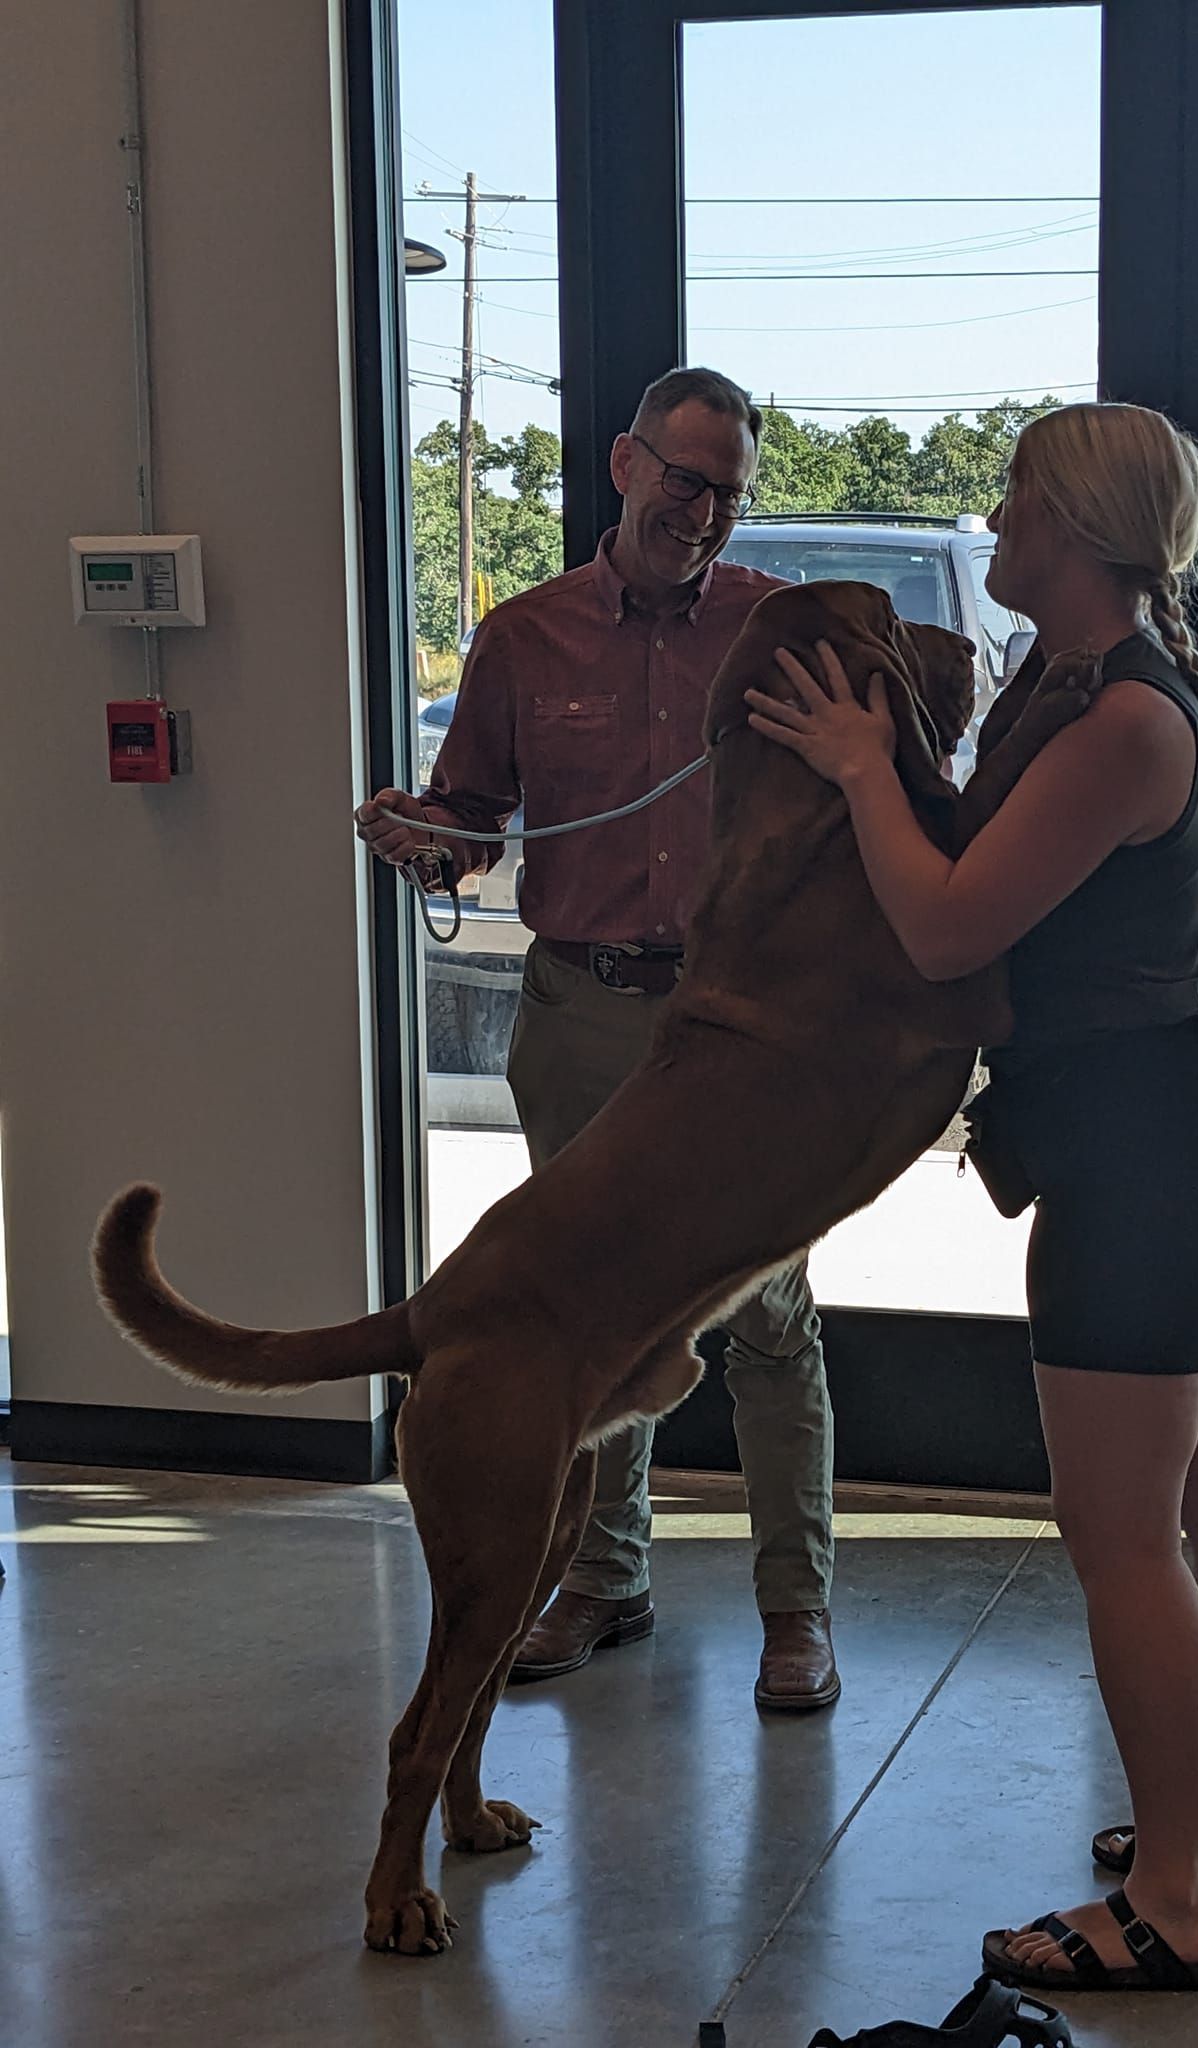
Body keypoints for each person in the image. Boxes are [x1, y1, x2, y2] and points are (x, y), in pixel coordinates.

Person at [745, 401, 1198, 1990]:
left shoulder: (1122, 722)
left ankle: (1182, 1904)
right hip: (1176, 1137)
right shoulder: (1083, 685)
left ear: (1074, 524)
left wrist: (860, 763)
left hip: (1142, 1154)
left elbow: (945, 931)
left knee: (1125, 1538)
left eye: (1013, 502)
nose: (992, 527)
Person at [356, 367, 840, 1712]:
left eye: (729, 493)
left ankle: (795, 1610)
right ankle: (604, 1581)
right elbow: (474, 827)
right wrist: (421, 848)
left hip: (739, 1030)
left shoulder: (774, 633)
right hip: (577, 1014)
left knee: (767, 1316)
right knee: (585, 1323)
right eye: (684, 481)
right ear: (625, 467)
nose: (704, 514)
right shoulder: (525, 638)